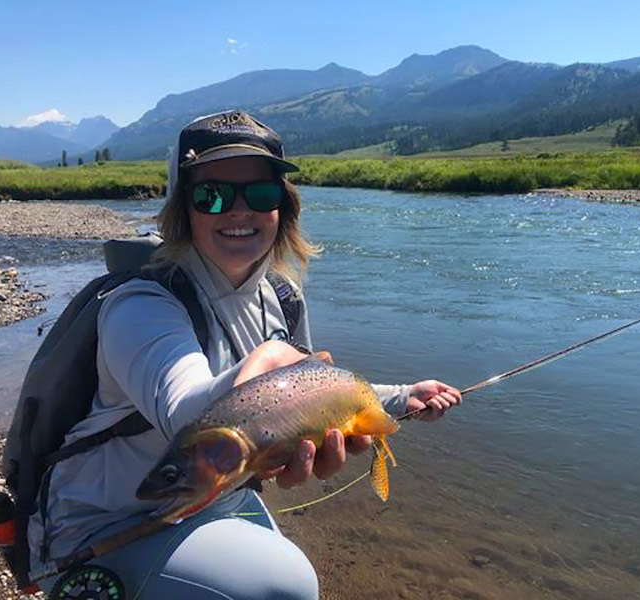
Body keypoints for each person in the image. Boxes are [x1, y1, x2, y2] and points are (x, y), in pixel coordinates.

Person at [30, 109, 461, 599]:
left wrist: (403, 397)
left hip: (213, 499)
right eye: (211, 195)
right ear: (182, 211)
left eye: (260, 194)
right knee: (287, 586)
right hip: (100, 528)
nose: (239, 211)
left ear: (283, 207)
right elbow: (186, 411)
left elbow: (317, 391)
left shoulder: (282, 299)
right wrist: (262, 365)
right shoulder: (138, 306)